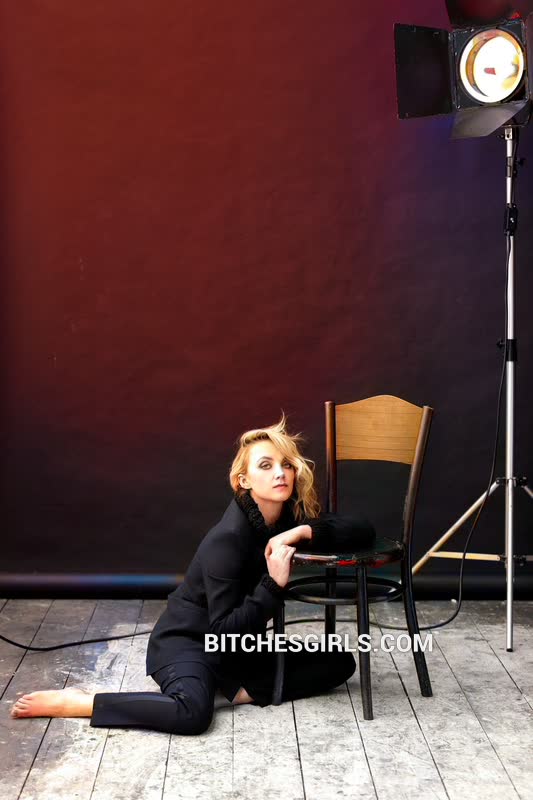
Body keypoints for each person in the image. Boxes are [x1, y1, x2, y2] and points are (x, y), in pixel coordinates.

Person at [10, 414, 374, 734]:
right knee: (192, 715)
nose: (280, 472)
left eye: (286, 464)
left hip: (238, 649)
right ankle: (84, 702)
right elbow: (222, 631)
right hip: (190, 643)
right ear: (243, 480)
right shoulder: (227, 539)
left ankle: (230, 691)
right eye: (265, 465)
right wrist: (272, 585)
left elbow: (362, 529)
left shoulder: (285, 518)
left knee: (338, 662)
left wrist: (302, 532)